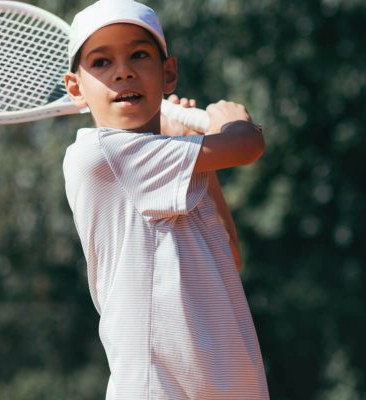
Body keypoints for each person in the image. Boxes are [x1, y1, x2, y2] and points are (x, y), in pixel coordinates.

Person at [62, 0, 269, 399]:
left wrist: (191, 143)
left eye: (139, 55)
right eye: (101, 62)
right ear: (75, 88)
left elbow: (229, 252)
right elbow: (248, 144)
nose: (123, 71)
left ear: (168, 72)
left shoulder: (168, 164)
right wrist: (230, 118)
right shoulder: (102, 153)